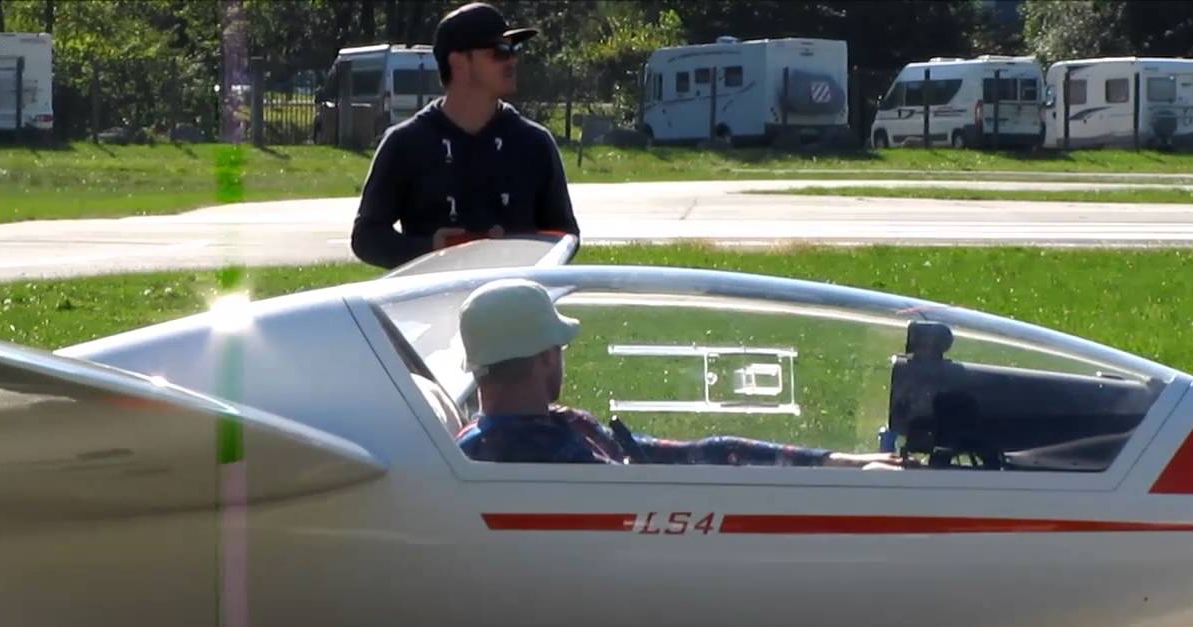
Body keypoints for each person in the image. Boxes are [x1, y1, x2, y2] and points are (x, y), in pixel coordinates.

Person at [454, 278, 905, 469]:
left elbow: (704, 454)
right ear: (544, 357)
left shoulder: (477, 450)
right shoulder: (545, 449)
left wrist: (840, 463)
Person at [350, 2, 580, 270]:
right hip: (430, 305)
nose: (512, 60)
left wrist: (516, 253)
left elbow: (566, 236)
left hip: (514, 305)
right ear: (458, 62)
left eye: (514, 50)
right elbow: (366, 236)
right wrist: (430, 251)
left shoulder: (535, 143)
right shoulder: (406, 143)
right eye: (499, 51)